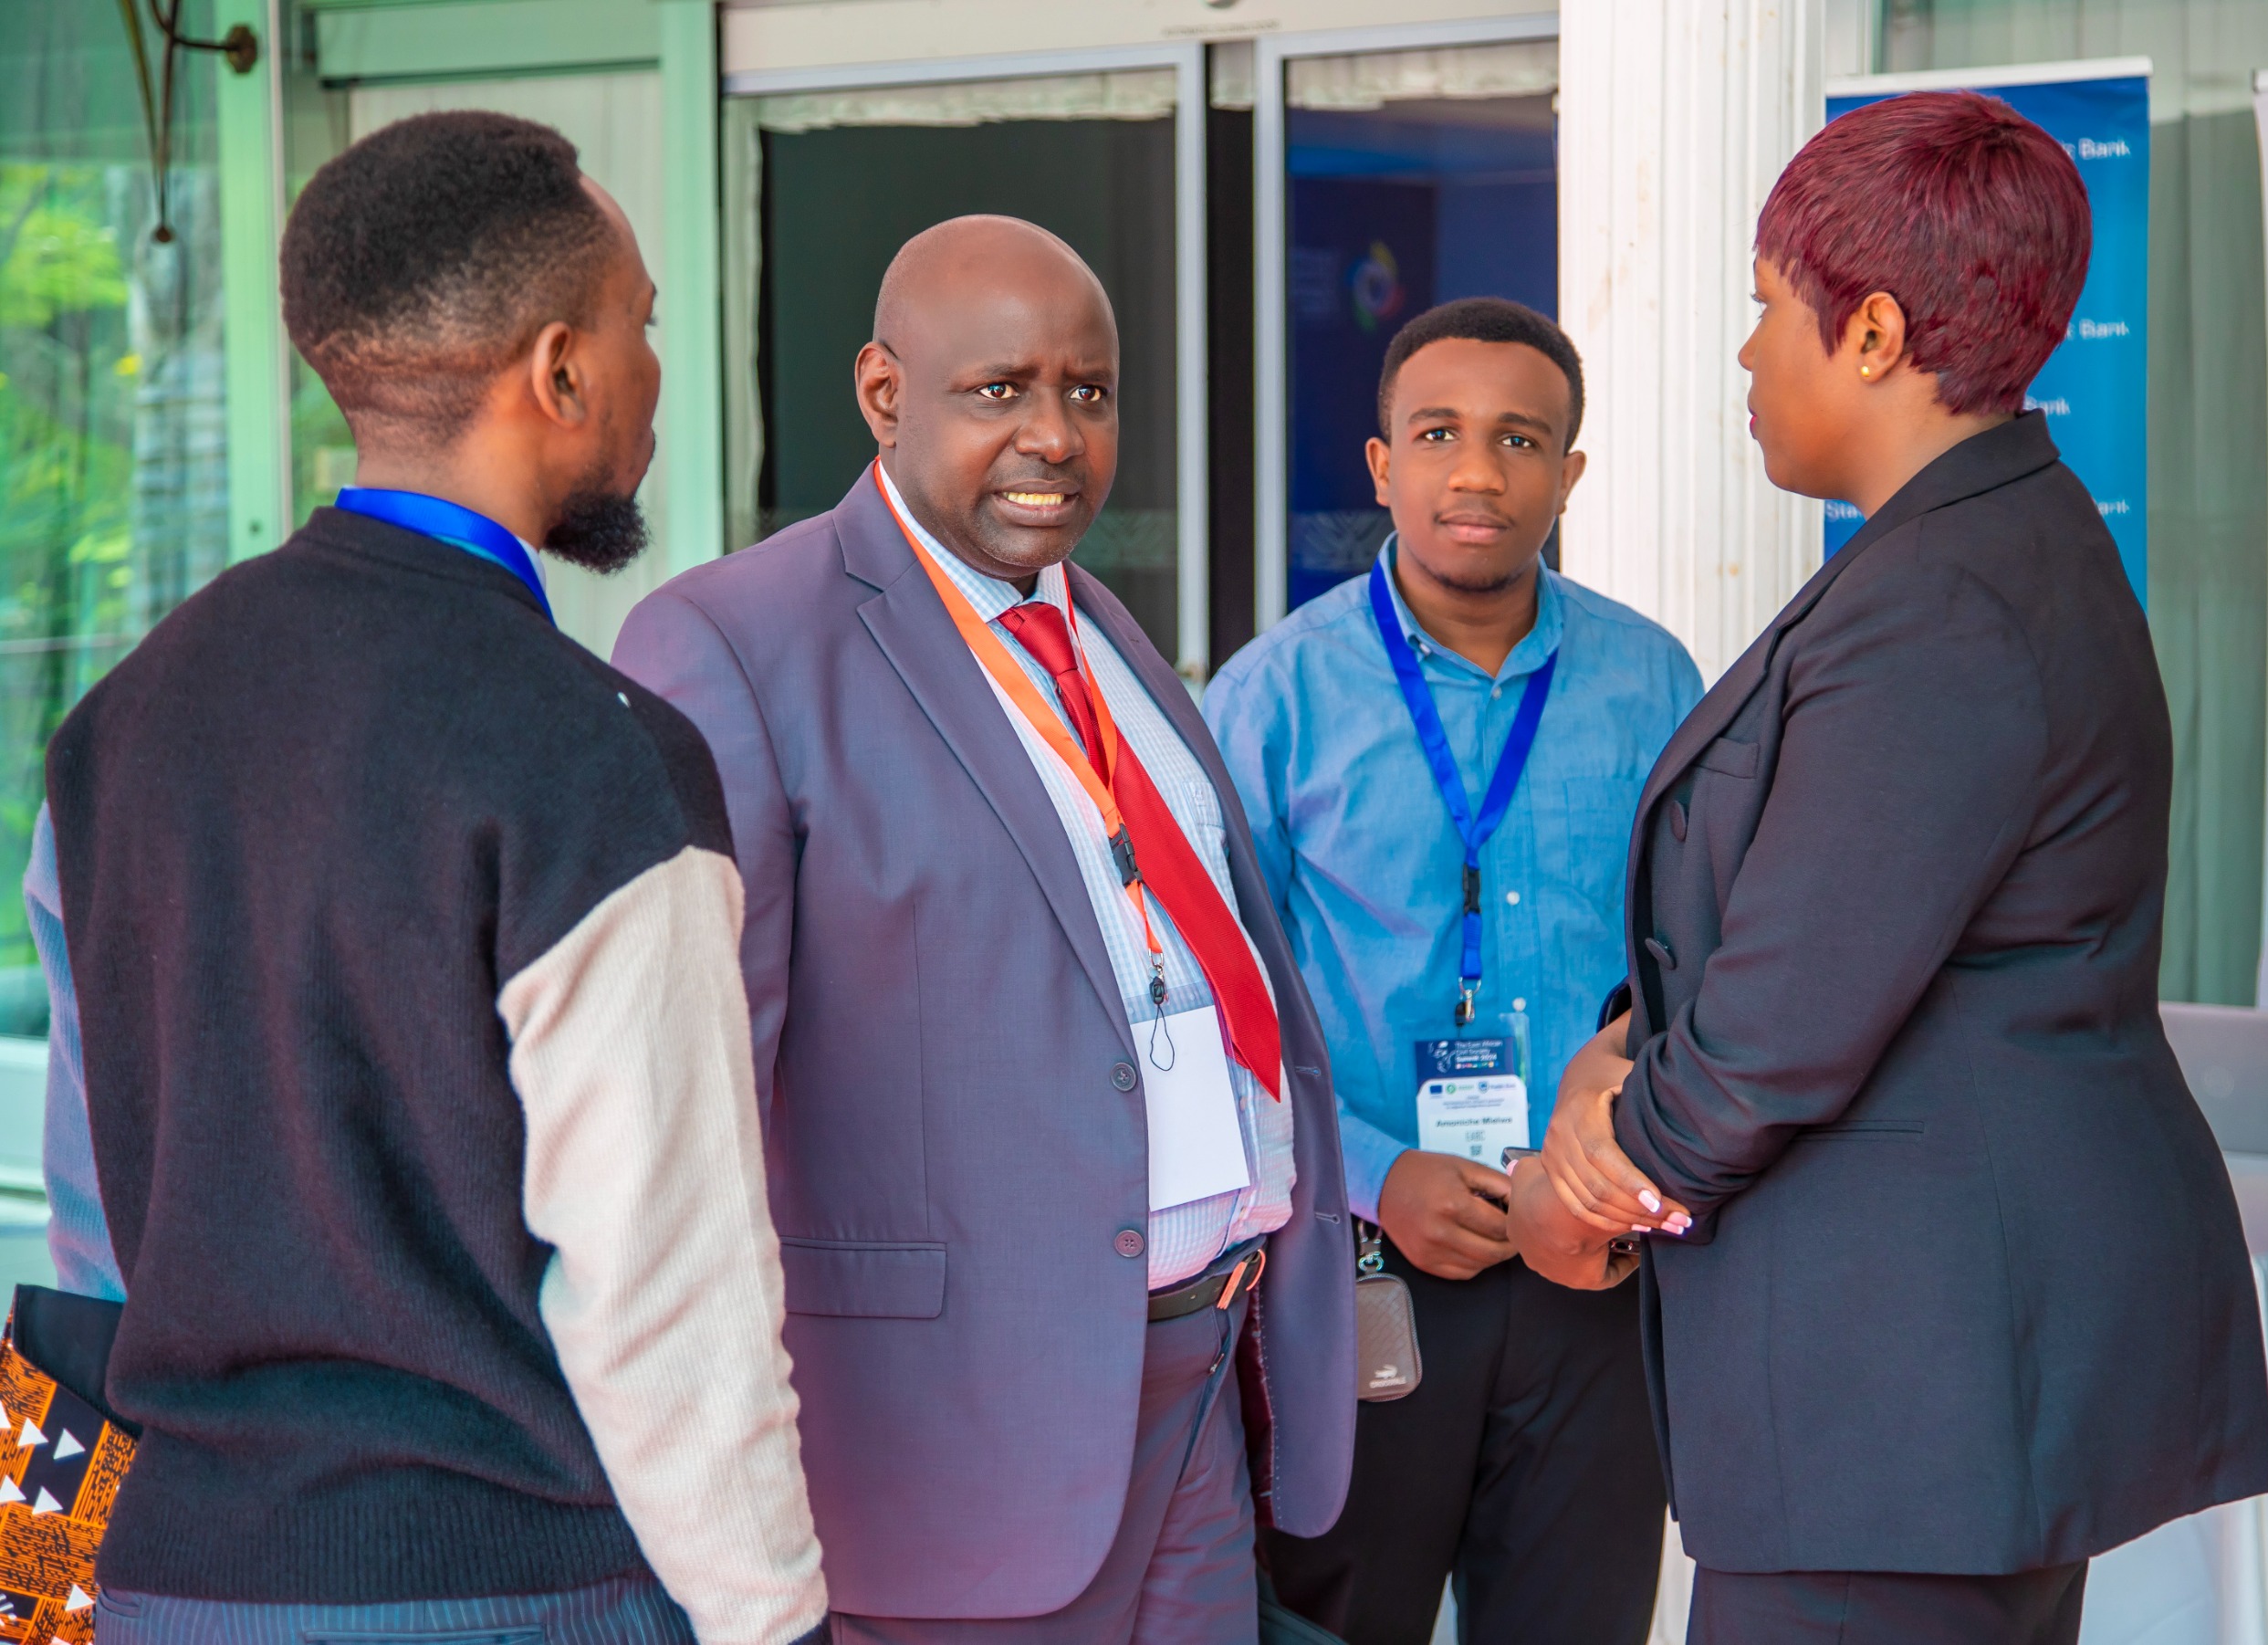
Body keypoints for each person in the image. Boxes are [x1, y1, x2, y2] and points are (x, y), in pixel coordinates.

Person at [28, 112, 828, 1645]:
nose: (655, 368)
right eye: (644, 321)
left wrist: (55, 1580)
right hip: (508, 1590)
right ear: (562, 371)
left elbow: (92, 1232)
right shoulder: (596, 756)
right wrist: (774, 1621)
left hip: (168, 1586)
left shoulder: (115, 727)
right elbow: (667, 1293)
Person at [1508, 90, 2268, 1645]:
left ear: (1870, 334)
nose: (1746, 356)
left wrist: (1587, 1180)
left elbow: (1781, 1026)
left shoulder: (1942, 604)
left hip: (1901, 1394)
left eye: (1762, 309)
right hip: (1930, 1385)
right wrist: (1620, 1047)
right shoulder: (1985, 546)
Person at [611, 215, 1353, 1643]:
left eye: (1089, 391)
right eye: (1000, 389)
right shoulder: (736, 643)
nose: (1056, 436)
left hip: (1198, 1387)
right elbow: (695, 1101)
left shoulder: (1098, 628)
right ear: (885, 394)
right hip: (952, 1452)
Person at [1206, 298, 1700, 1645]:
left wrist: (1621, 1168)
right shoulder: (1272, 700)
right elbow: (1216, 1010)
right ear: (1381, 466)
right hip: (1364, 1266)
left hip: (1595, 1270)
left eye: (1518, 439)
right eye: (1438, 434)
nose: (1476, 472)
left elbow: (1697, 969)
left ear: (1569, 474)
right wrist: (1376, 1178)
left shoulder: (1655, 683)